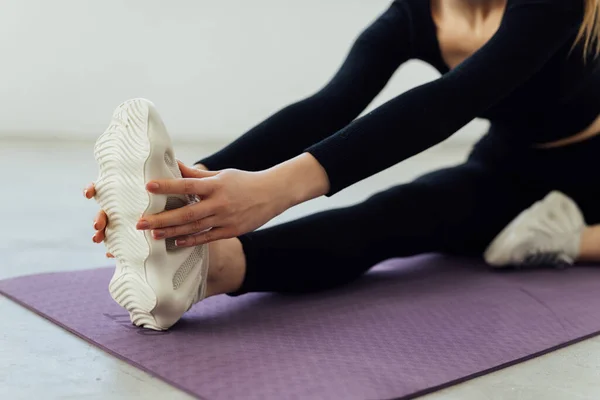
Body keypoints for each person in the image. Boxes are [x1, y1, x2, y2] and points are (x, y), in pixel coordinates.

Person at [84, 0, 600, 329]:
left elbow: (452, 100)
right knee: (395, 214)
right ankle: (208, 274)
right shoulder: (415, 16)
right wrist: (181, 187)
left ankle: (571, 241)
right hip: (505, 165)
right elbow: (327, 107)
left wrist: (277, 189)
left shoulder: (551, 6)